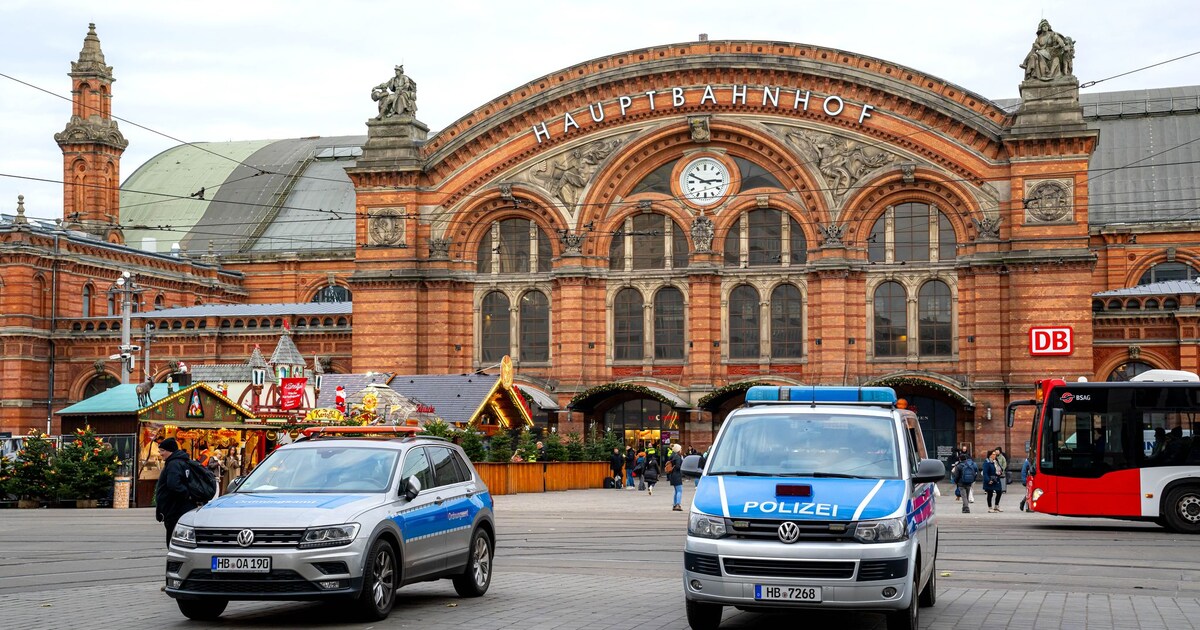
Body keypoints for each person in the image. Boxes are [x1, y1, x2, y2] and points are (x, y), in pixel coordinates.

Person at [155, 438, 193, 546]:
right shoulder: (181, 462)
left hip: (175, 509)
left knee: (172, 540)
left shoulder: (173, 464)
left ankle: (175, 561)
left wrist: (186, 494)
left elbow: (174, 485)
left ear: (170, 450)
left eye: (162, 450)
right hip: (180, 507)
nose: (161, 454)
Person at [668, 443, 685, 511]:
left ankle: (675, 505)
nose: (681, 450)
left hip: (672, 475)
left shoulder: (672, 456)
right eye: (680, 449)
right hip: (677, 475)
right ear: (678, 450)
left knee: (676, 490)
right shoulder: (677, 457)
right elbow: (678, 467)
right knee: (679, 490)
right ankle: (678, 504)